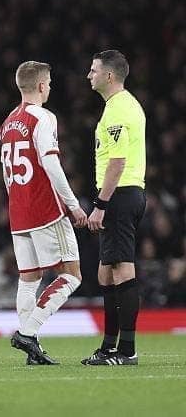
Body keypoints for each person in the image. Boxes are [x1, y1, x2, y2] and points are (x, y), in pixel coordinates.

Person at [0, 61, 87, 365]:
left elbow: (6, 173)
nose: (49, 87)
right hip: (45, 209)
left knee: (29, 278)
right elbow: (51, 163)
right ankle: (27, 332)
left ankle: (31, 348)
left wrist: (17, 201)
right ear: (40, 85)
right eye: (48, 83)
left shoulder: (8, 122)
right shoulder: (43, 117)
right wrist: (73, 205)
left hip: (18, 209)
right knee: (71, 275)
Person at [82, 50, 146, 366]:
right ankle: (109, 346)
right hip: (120, 194)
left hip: (119, 194)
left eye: (93, 71)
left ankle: (127, 350)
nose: (89, 75)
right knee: (105, 273)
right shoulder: (119, 106)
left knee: (121, 269)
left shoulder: (119, 108)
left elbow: (117, 163)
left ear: (109, 75)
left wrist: (100, 205)